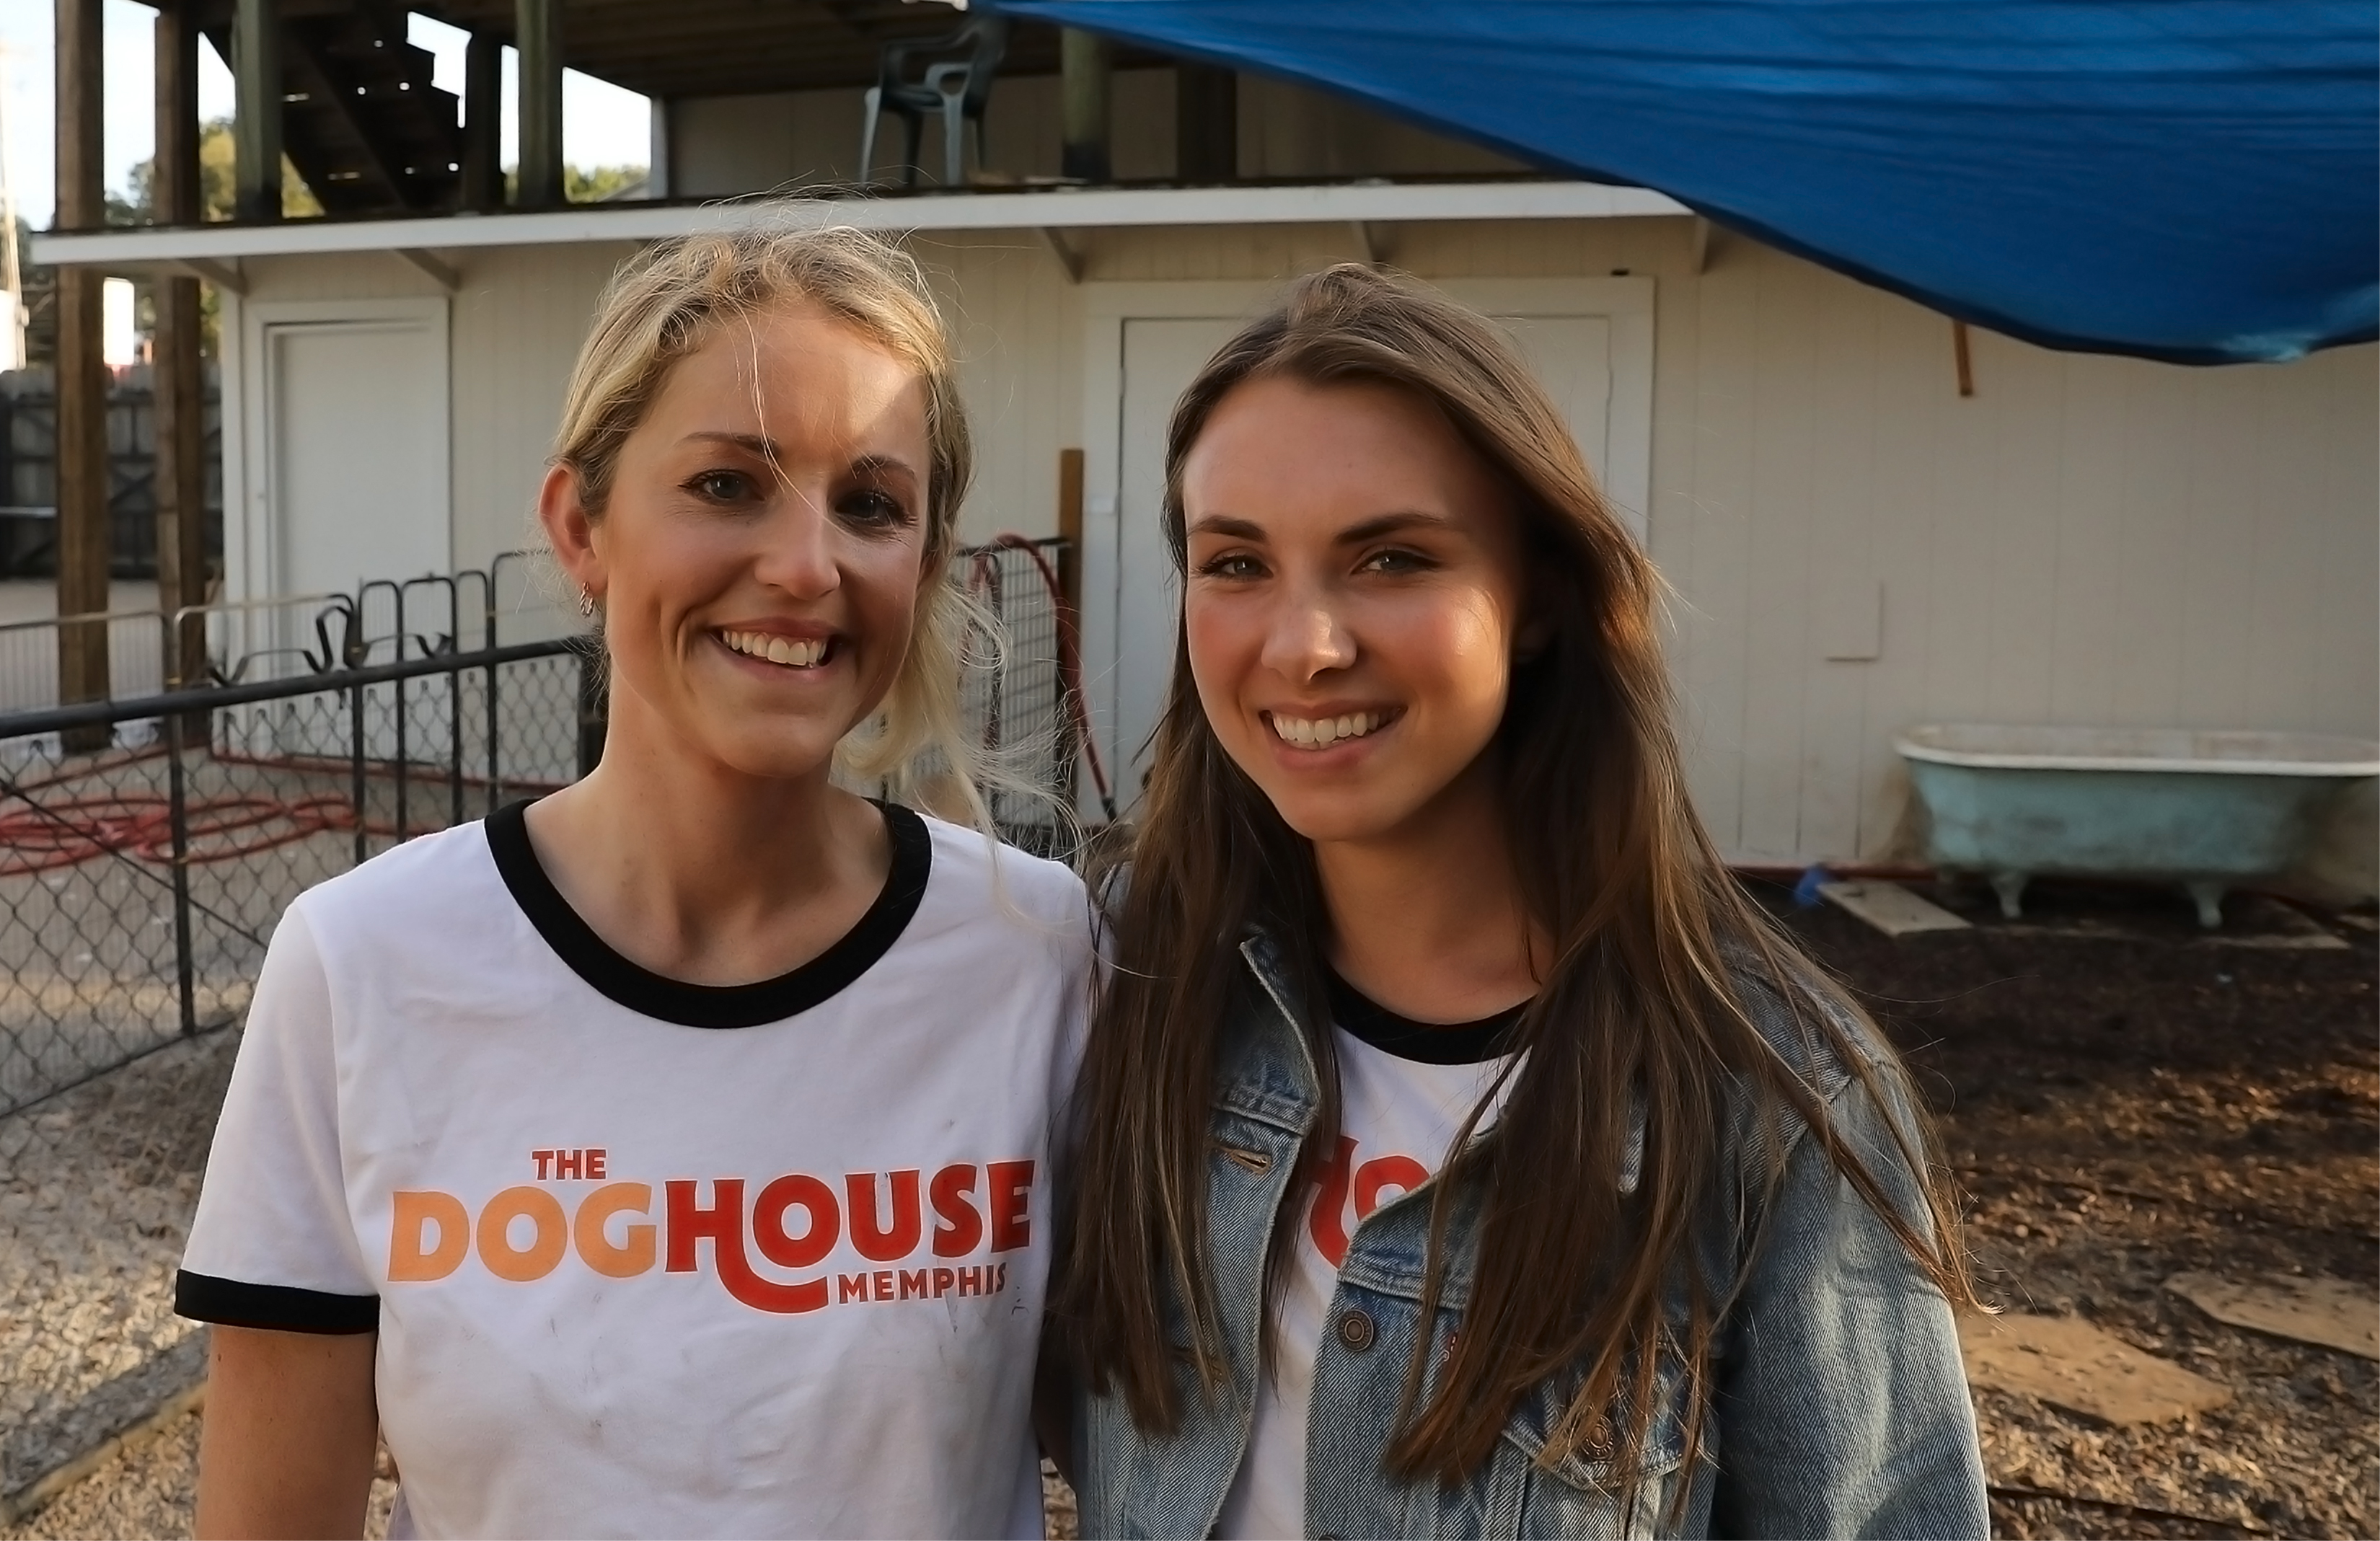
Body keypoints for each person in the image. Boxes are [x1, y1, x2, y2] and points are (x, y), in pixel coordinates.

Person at [177, 225, 1089, 1538]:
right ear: (581, 526)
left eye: (872, 505)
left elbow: (1191, 1440)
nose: (804, 565)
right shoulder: (363, 961)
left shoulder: (1037, 951)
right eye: (729, 485)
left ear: (927, 565)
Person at [1055, 265, 1987, 1540]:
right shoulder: (1119, 980)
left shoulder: (1776, 1102)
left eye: (1391, 556)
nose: (1304, 643)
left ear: (1540, 598)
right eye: (1237, 562)